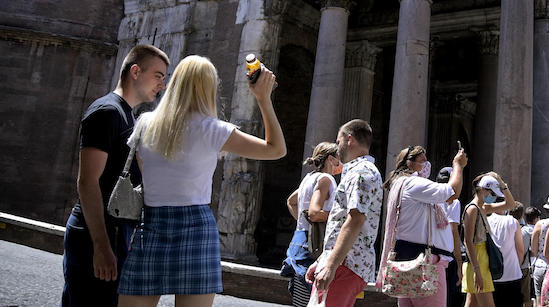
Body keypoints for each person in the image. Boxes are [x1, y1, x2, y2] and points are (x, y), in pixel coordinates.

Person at [118, 55, 286, 306]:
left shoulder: (145, 123)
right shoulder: (214, 129)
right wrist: (263, 99)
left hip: (151, 224)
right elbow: (276, 150)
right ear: (209, 88)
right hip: (197, 228)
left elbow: (145, 178)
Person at [62, 45, 170, 307]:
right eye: (158, 75)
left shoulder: (127, 116)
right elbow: (87, 182)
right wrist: (101, 245)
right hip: (95, 234)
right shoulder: (107, 112)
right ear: (135, 71)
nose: (162, 84)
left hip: (113, 233)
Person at [376, 146, 467, 306]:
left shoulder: (401, 184)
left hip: (407, 259)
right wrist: (458, 165)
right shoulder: (412, 183)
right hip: (425, 263)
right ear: (409, 163)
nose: (427, 164)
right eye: (423, 161)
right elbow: (452, 191)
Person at [305, 119, 383, 307]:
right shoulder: (359, 171)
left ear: (350, 139)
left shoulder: (361, 172)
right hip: (345, 263)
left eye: (338, 141)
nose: (336, 146)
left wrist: (331, 265)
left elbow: (355, 219)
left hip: (346, 265)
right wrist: (325, 259)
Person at [284, 142, 341, 307]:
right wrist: (340, 218)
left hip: (299, 238)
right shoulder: (326, 178)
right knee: (314, 299)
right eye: (339, 158)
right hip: (313, 244)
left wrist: (301, 221)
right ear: (331, 159)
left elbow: (291, 201)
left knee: (301, 300)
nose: (341, 163)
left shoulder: (308, 178)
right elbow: (314, 213)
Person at [462, 172, 516, 307]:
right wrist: (477, 270)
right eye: (492, 193)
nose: (493, 197)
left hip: (481, 260)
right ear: (483, 189)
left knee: (472, 303)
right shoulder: (473, 209)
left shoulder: (483, 208)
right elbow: (467, 241)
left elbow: (511, 204)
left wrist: (501, 183)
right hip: (477, 261)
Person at [437, 167, 466, 307]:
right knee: (449, 297)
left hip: (431, 252)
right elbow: (454, 231)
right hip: (447, 254)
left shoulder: (431, 196)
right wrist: (460, 263)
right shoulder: (453, 201)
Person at [487, 201, 525, 306]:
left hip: (492, 274)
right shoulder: (512, 222)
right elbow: (520, 250)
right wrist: (518, 265)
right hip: (512, 273)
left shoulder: (486, 221)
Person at [519, 205, 540, 307]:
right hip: (537, 267)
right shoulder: (541, 230)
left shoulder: (524, 231)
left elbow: (521, 251)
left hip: (525, 267)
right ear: (536, 218)